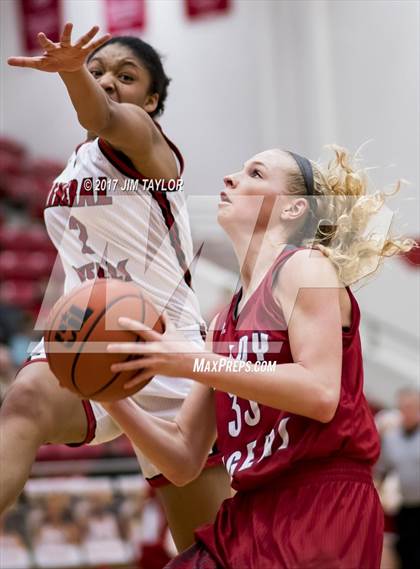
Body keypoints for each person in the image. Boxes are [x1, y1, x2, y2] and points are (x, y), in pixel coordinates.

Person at [100, 146, 414, 568]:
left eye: (255, 173)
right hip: (248, 510)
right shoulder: (223, 321)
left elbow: (321, 393)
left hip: (320, 504)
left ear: (293, 208)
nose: (230, 178)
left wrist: (188, 362)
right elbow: (182, 458)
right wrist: (106, 393)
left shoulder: (307, 267)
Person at [2, 23, 231, 551]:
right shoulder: (72, 167)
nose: (106, 82)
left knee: (210, 548)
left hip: (166, 349)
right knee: (25, 402)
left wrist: (74, 75)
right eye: (97, 70)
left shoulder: (148, 144)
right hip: (90, 334)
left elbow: (101, 115)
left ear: (151, 101)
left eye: (125, 77)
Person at [375, 387, 420, 568]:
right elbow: (382, 469)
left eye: (411, 407)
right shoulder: (391, 438)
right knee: (406, 550)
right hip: (406, 506)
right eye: (403, 407)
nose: (407, 411)